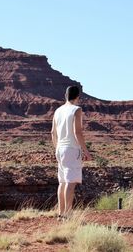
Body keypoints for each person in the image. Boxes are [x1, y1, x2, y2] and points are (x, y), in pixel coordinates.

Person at [51, 85, 92, 219]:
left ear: (65, 95)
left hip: (60, 148)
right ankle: (68, 215)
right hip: (72, 149)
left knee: (62, 182)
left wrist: (57, 148)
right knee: (70, 182)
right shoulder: (76, 110)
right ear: (77, 96)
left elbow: (53, 132)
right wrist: (86, 151)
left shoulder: (58, 111)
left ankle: (61, 213)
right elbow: (77, 132)